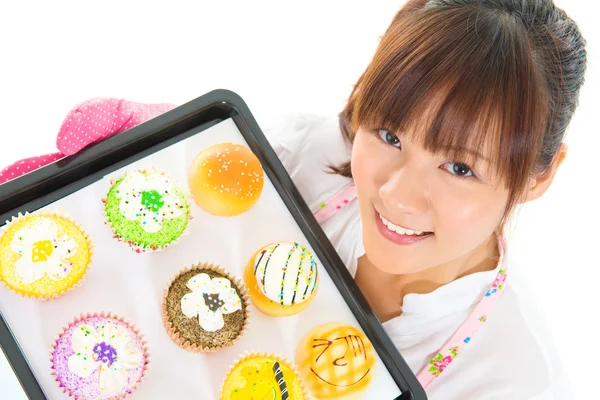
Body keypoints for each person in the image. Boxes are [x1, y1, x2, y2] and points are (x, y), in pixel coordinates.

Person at [0, 0, 587, 398]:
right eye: (389, 134)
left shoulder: (518, 380)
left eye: (460, 167)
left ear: (538, 176)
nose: (395, 195)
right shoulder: (294, 152)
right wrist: (134, 162)